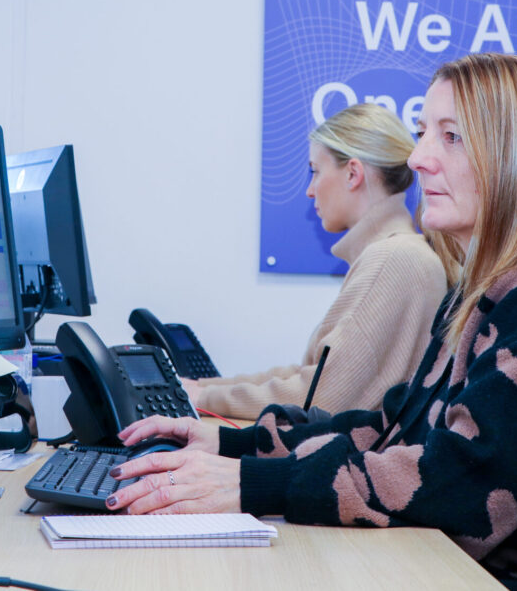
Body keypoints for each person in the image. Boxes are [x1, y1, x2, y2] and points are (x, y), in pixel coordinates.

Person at [106, 54, 517, 589]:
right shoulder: (491, 289)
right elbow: (393, 428)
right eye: (424, 132)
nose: (419, 159)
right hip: (442, 567)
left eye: (450, 136)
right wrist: (232, 447)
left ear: (515, 156)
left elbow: (464, 486)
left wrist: (255, 483)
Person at [185, 103, 446, 419]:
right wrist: (202, 388)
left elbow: (317, 398)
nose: (310, 190)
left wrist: (203, 396)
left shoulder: (393, 259)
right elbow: (311, 375)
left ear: (353, 173)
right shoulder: (393, 254)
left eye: (315, 171)